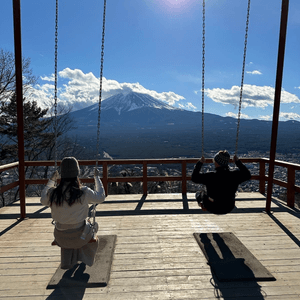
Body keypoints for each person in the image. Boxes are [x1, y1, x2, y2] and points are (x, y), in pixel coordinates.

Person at [40, 157, 106, 269]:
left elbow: (42, 200)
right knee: (93, 227)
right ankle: (85, 259)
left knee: (71, 230)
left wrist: (51, 181)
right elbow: (101, 197)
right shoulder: (83, 192)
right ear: (77, 173)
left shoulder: (53, 193)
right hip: (80, 236)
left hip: (60, 237)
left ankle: (68, 260)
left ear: (62, 174)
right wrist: (97, 178)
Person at [191, 150, 251, 215]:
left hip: (212, 207)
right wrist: (238, 162)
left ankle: (202, 204)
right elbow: (247, 175)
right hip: (228, 207)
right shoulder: (234, 175)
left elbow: (194, 178)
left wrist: (200, 163)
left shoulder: (210, 176)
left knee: (199, 194)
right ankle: (205, 204)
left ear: (217, 163)